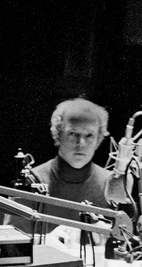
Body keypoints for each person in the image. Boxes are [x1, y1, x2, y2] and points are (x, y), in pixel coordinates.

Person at [30, 97, 113, 238]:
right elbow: (12, 244)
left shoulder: (110, 184)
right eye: (73, 134)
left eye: (89, 136)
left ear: (98, 140)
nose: (80, 144)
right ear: (58, 134)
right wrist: (47, 240)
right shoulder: (33, 180)